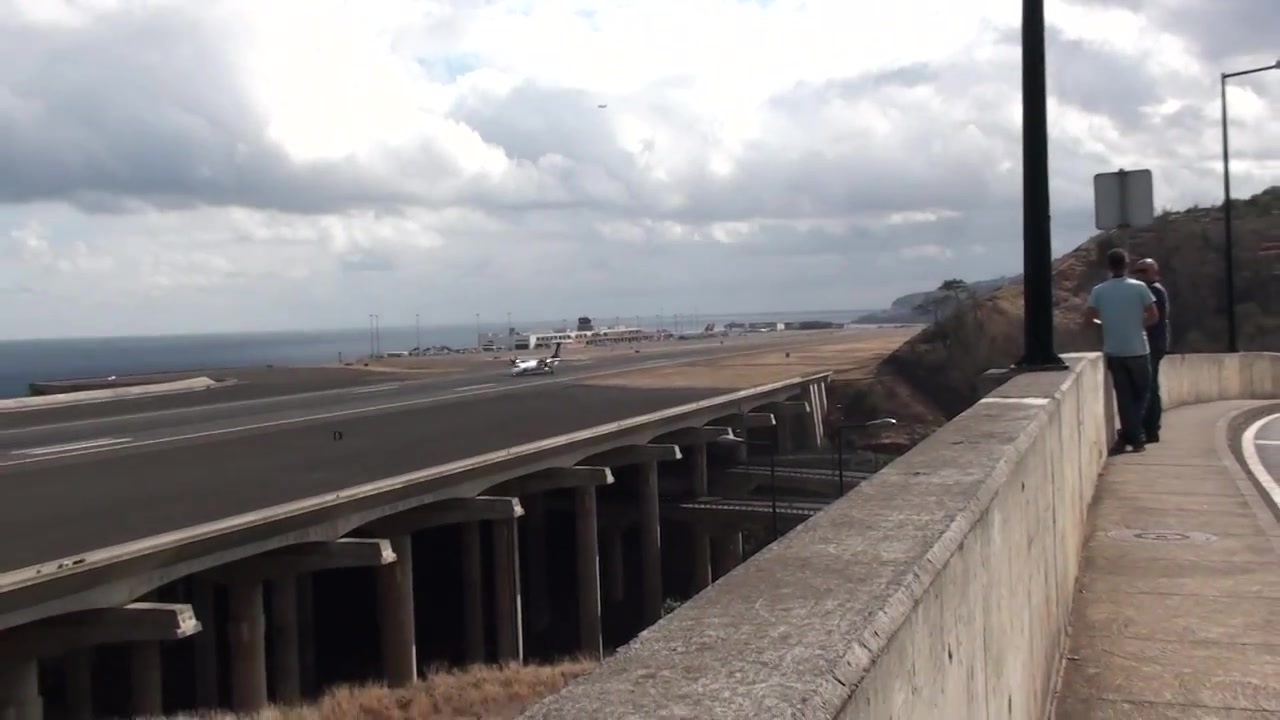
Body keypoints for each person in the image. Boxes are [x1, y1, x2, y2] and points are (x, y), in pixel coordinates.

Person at [1085, 248, 1159, 454]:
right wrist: (1138, 325)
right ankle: (1135, 436)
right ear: (1127, 265)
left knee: (1124, 398)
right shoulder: (1139, 288)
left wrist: (1107, 324)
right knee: (1143, 394)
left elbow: (1088, 319)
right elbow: (1154, 315)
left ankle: (1131, 437)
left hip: (1114, 351)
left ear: (1108, 266)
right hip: (1139, 349)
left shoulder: (1099, 290)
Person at [1132, 258, 1170, 442]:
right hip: (1154, 344)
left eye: (1143, 271)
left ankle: (1150, 428)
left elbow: (1151, 318)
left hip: (1153, 345)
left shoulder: (1153, 291)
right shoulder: (1153, 290)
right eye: (1137, 271)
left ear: (1153, 272)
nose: (1139, 275)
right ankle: (1149, 428)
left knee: (1150, 387)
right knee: (1150, 386)